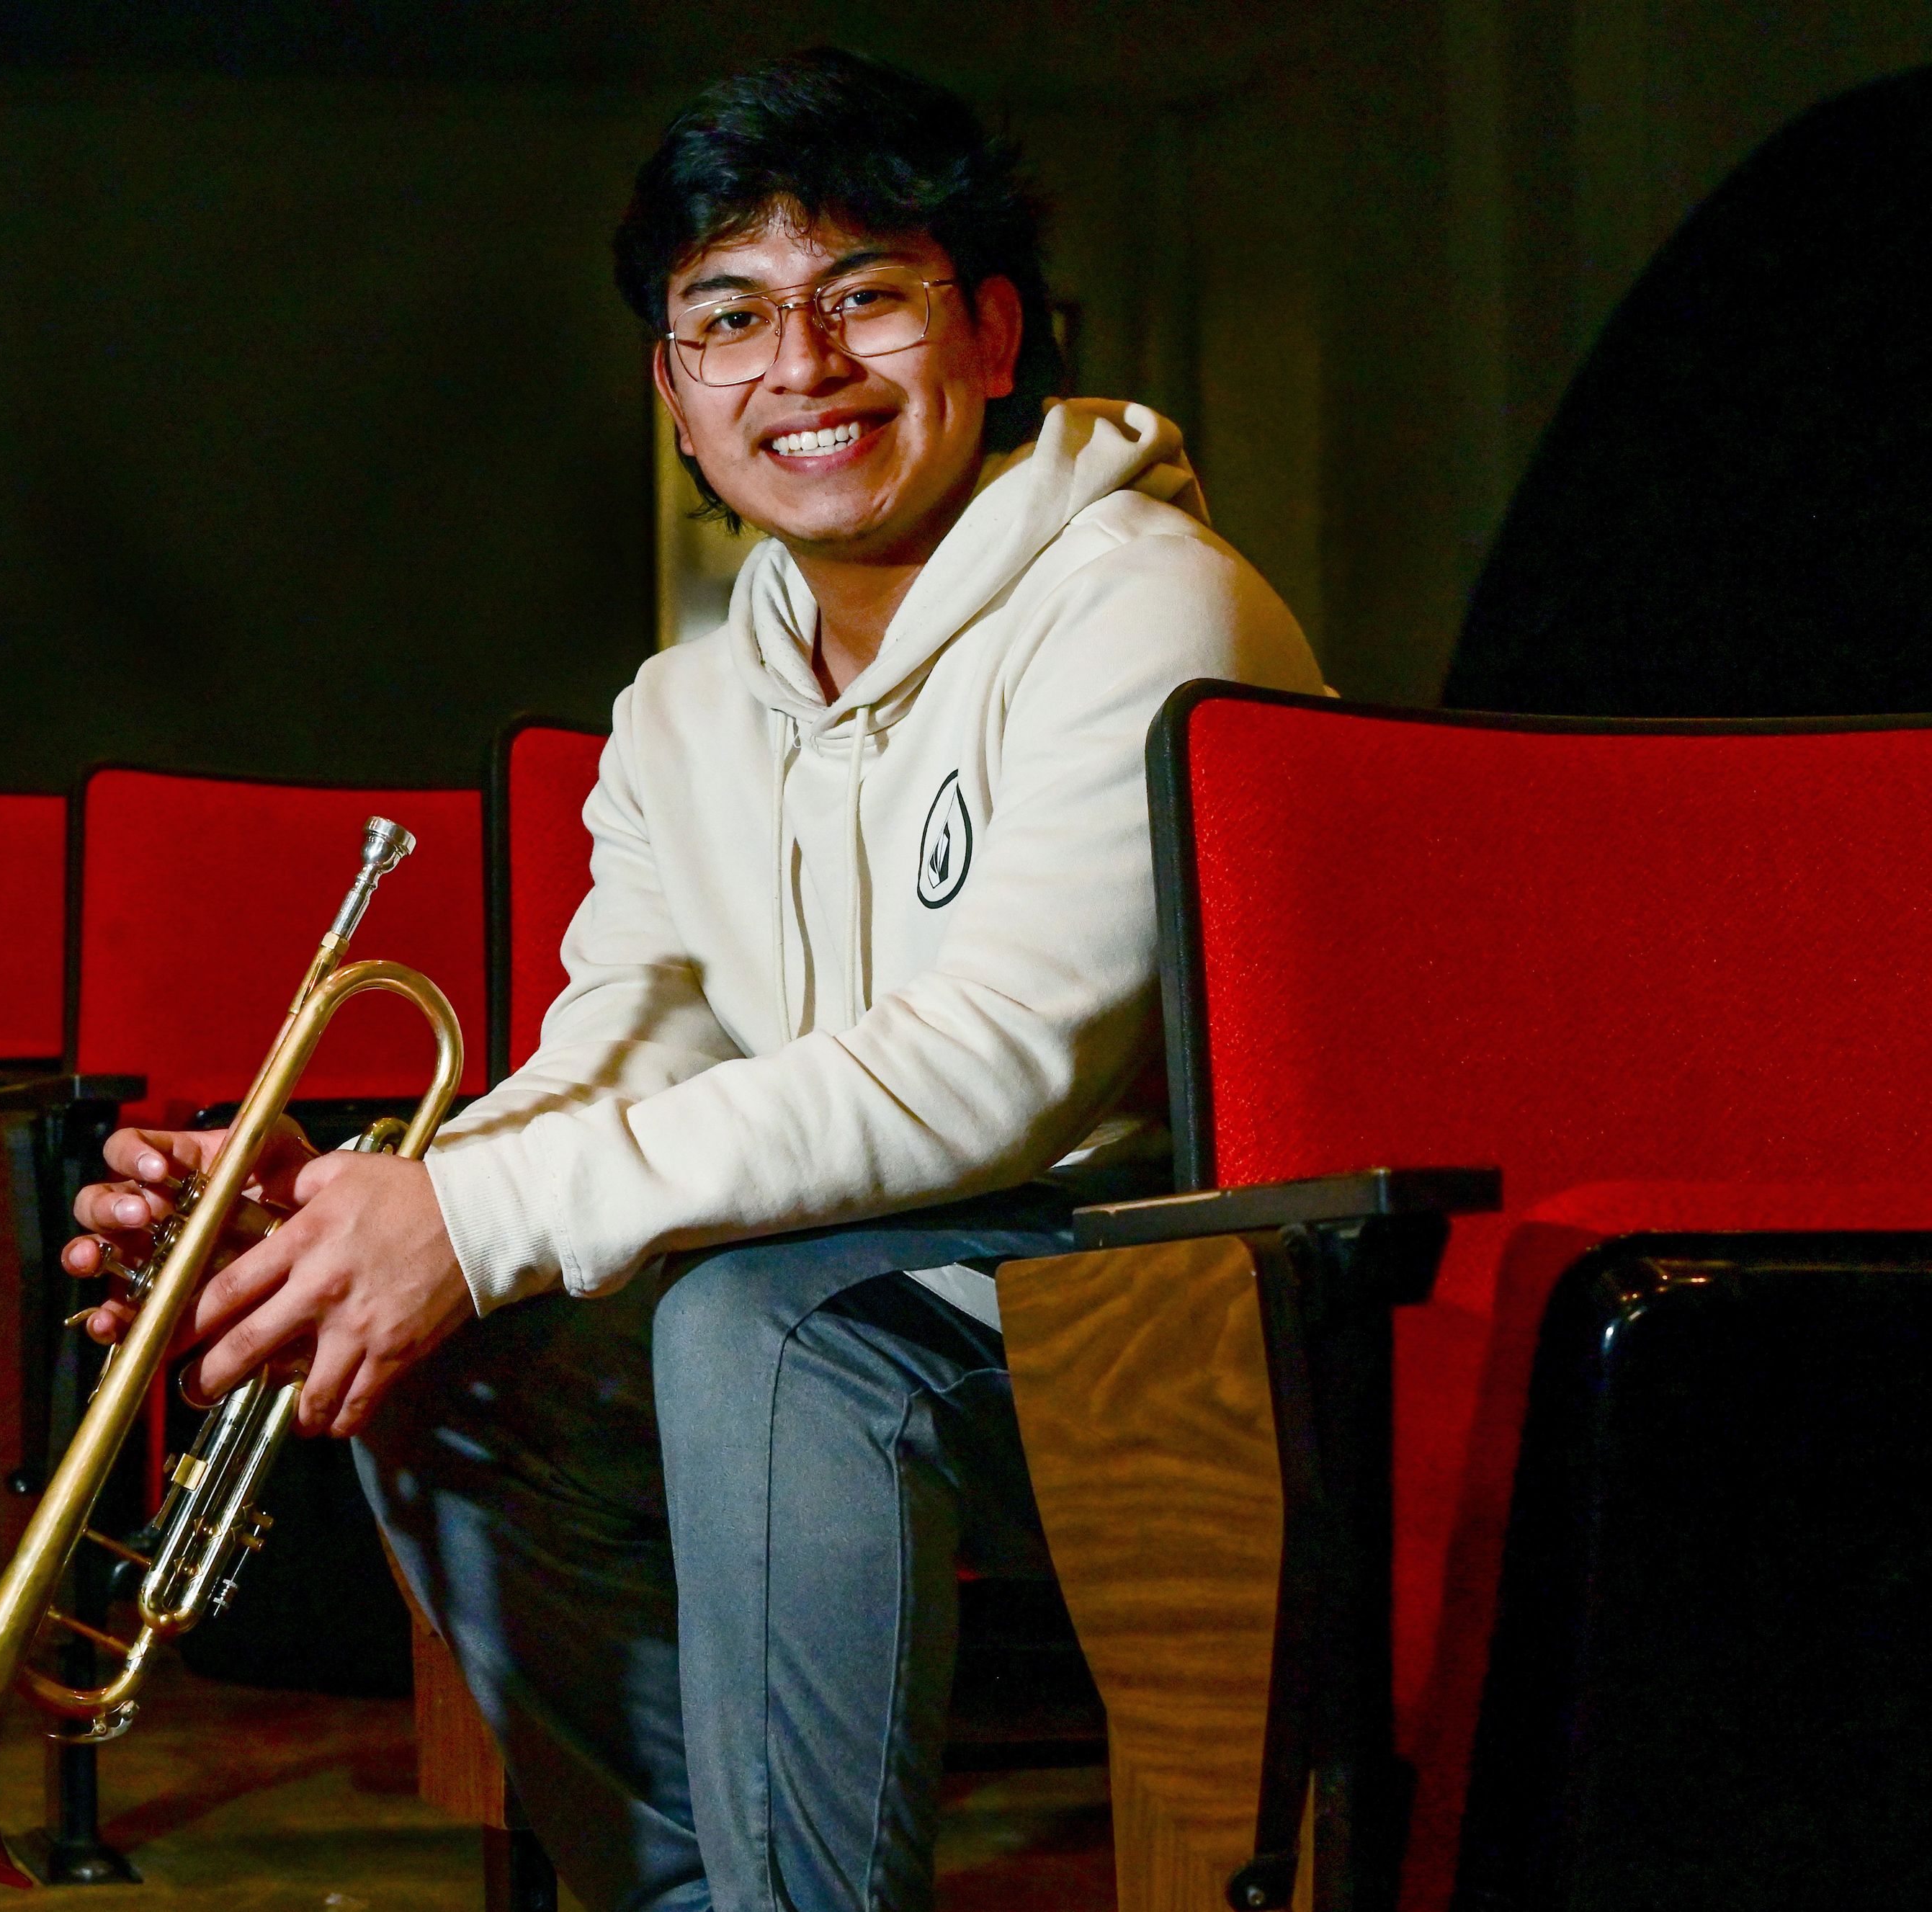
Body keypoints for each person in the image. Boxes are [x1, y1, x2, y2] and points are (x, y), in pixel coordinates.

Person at [66, 47, 1325, 1912]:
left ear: (989, 329)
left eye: (865, 296)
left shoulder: (1151, 599)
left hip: (1186, 1279)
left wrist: (481, 1210)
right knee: (457, 1341)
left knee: (769, 1331)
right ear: (671, 388)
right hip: (910, 1261)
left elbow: (1003, 1065)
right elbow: (630, 1039)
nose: (796, 366)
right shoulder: (679, 708)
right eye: (725, 316)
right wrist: (355, 1211)